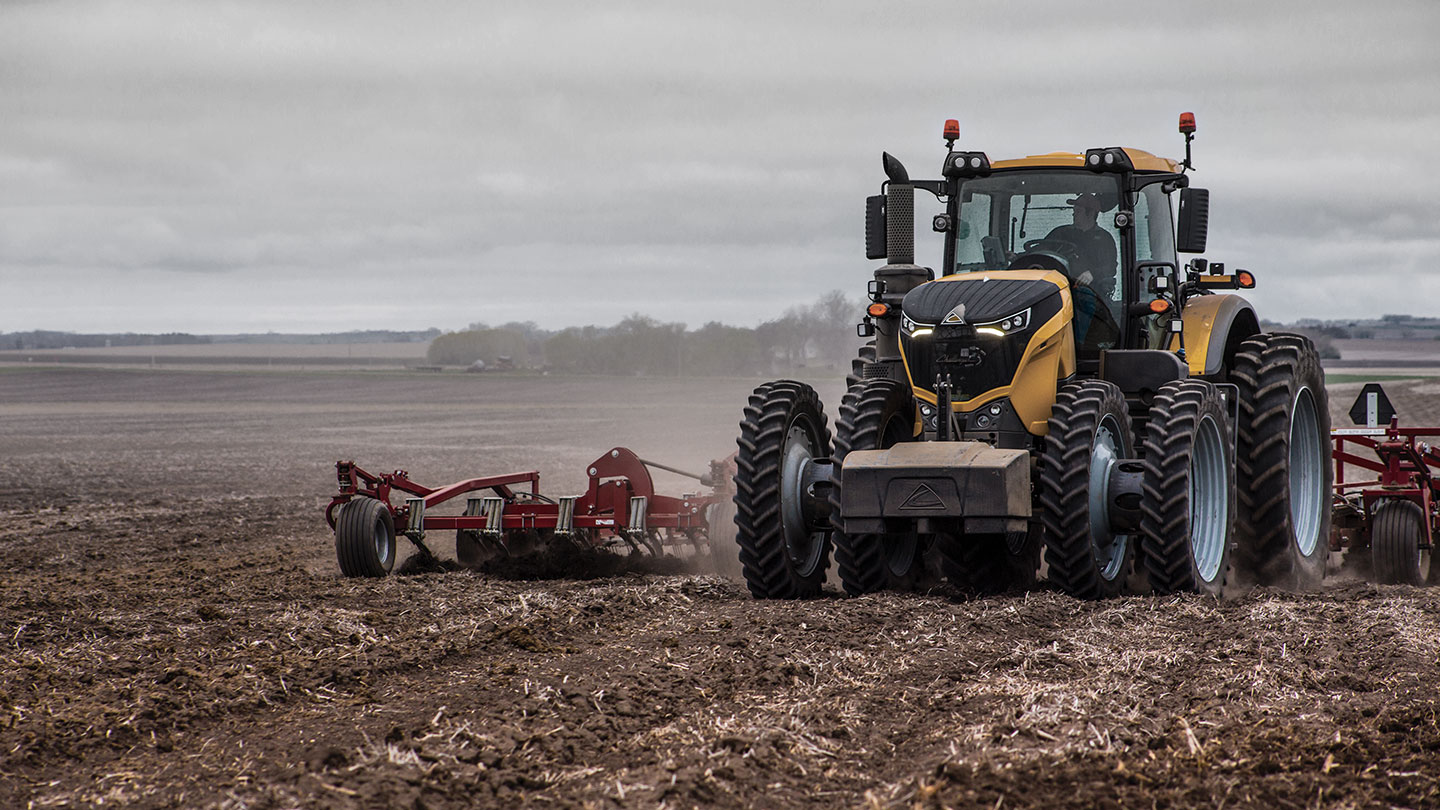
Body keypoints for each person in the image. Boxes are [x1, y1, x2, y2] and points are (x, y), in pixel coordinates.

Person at [1047, 193, 1120, 348]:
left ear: (1091, 213)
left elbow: (1110, 267)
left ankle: (1076, 347)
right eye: (1074, 210)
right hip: (1055, 287)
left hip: (1089, 290)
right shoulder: (1061, 233)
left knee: (1082, 305)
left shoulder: (1103, 239)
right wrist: (1017, 257)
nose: (1074, 213)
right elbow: (1042, 251)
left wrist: (1092, 273)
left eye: (1078, 211)